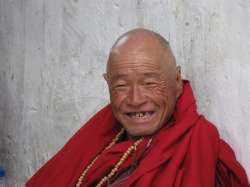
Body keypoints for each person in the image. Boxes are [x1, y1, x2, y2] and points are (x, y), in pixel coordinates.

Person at [26, 28, 249, 187]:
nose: (135, 99)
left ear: (177, 81)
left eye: (150, 83)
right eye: (121, 85)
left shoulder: (200, 144)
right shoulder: (99, 138)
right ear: (107, 83)